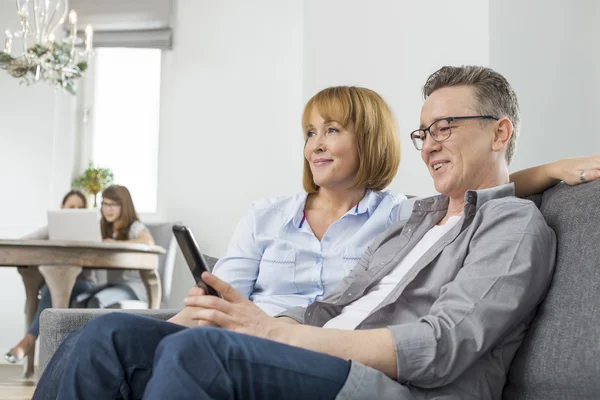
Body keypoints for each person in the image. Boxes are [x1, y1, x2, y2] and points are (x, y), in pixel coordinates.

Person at [33, 66, 579, 399]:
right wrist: (264, 324)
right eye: (424, 132)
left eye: (446, 128)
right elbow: (330, 306)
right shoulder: (419, 218)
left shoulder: (513, 225)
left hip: (399, 388)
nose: (431, 143)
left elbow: (441, 346)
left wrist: (281, 335)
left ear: (499, 131)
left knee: (198, 355)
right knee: (109, 335)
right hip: (317, 352)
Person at [212, 85, 598, 317]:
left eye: (331, 129)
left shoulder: (401, 215)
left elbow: (473, 192)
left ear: (368, 140)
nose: (316, 144)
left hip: (324, 351)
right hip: (248, 337)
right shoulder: (264, 216)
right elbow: (221, 298)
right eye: (310, 132)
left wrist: (549, 170)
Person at [4, 190, 95, 364]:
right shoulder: (52, 229)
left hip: (84, 285)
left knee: (50, 289)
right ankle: (36, 348)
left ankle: (28, 341)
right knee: (50, 288)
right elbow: (23, 242)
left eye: (80, 208)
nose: (75, 211)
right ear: (62, 208)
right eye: (71, 207)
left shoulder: (90, 231)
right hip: (53, 285)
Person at [74, 184, 155, 308]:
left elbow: (148, 242)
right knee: (78, 302)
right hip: (113, 285)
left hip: (134, 287)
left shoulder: (134, 227)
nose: (108, 209)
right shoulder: (104, 228)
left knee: (95, 303)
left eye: (113, 205)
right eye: (105, 204)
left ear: (124, 206)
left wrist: (116, 244)